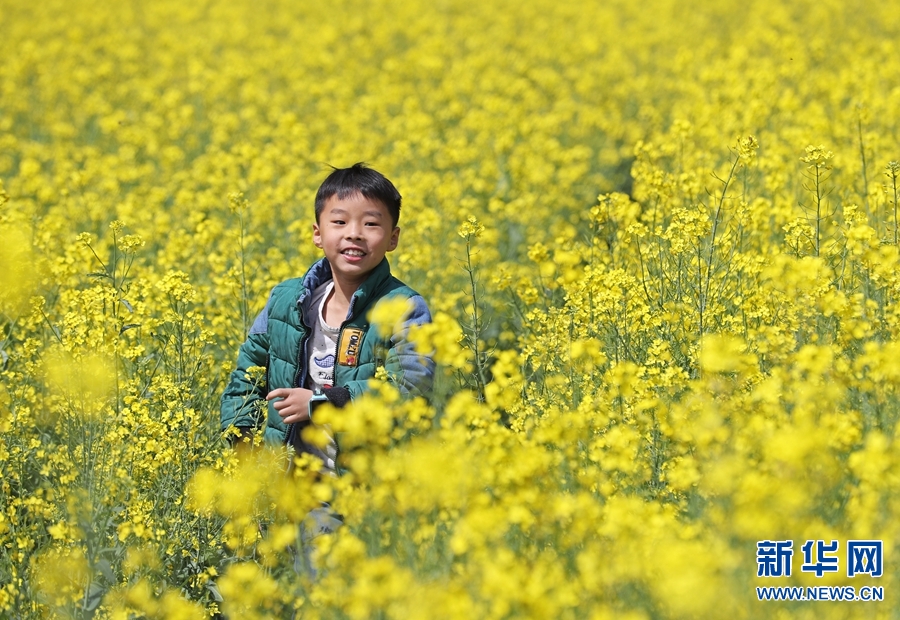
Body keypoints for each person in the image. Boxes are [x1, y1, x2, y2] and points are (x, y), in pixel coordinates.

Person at [220, 163, 435, 473]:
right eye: (339, 221)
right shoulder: (286, 302)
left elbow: (410, 387)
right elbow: (246, 375)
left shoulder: (405, 308)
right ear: (318, 234)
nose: (354, 234)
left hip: (363, 484)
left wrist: (322, 402)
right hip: (285, 481)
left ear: (393, 238)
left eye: (371, 224)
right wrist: (243, 443)